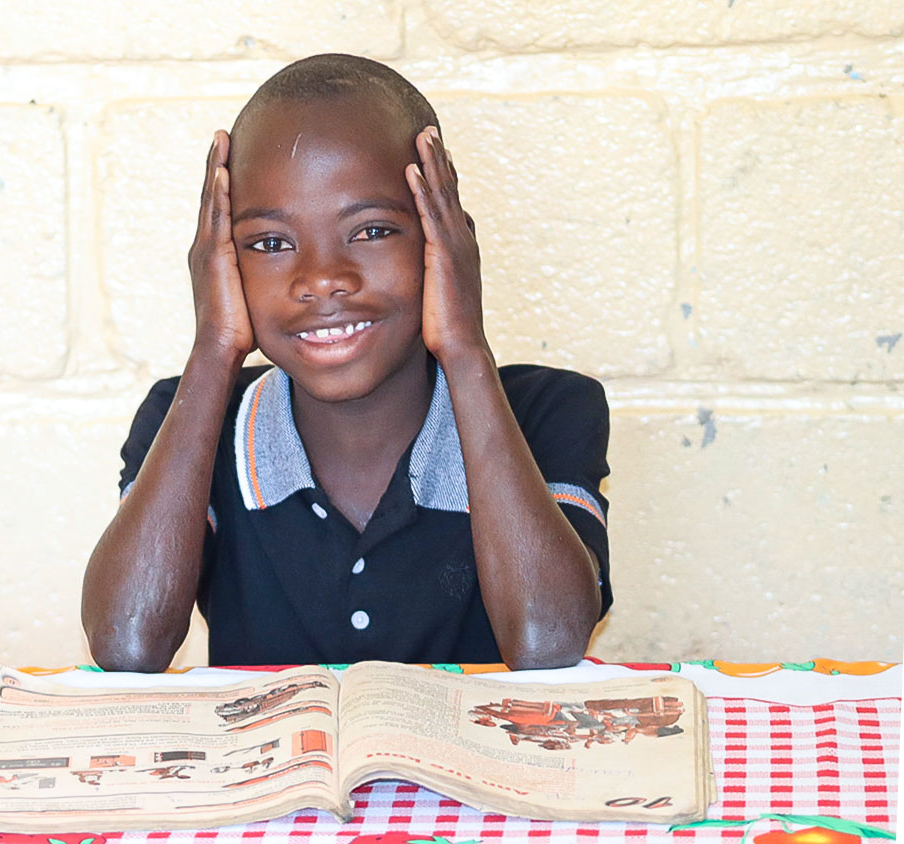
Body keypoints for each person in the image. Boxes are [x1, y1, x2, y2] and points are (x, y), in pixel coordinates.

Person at [82, 54, 611, 672]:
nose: (323, 278)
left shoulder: (547, 410)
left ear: (447, 241)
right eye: (270, 243)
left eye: (371, 231)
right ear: (221, 263)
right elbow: (127, 643)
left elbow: (548, 641)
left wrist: (465, 347)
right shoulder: (192, 418)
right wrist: (214, 350)